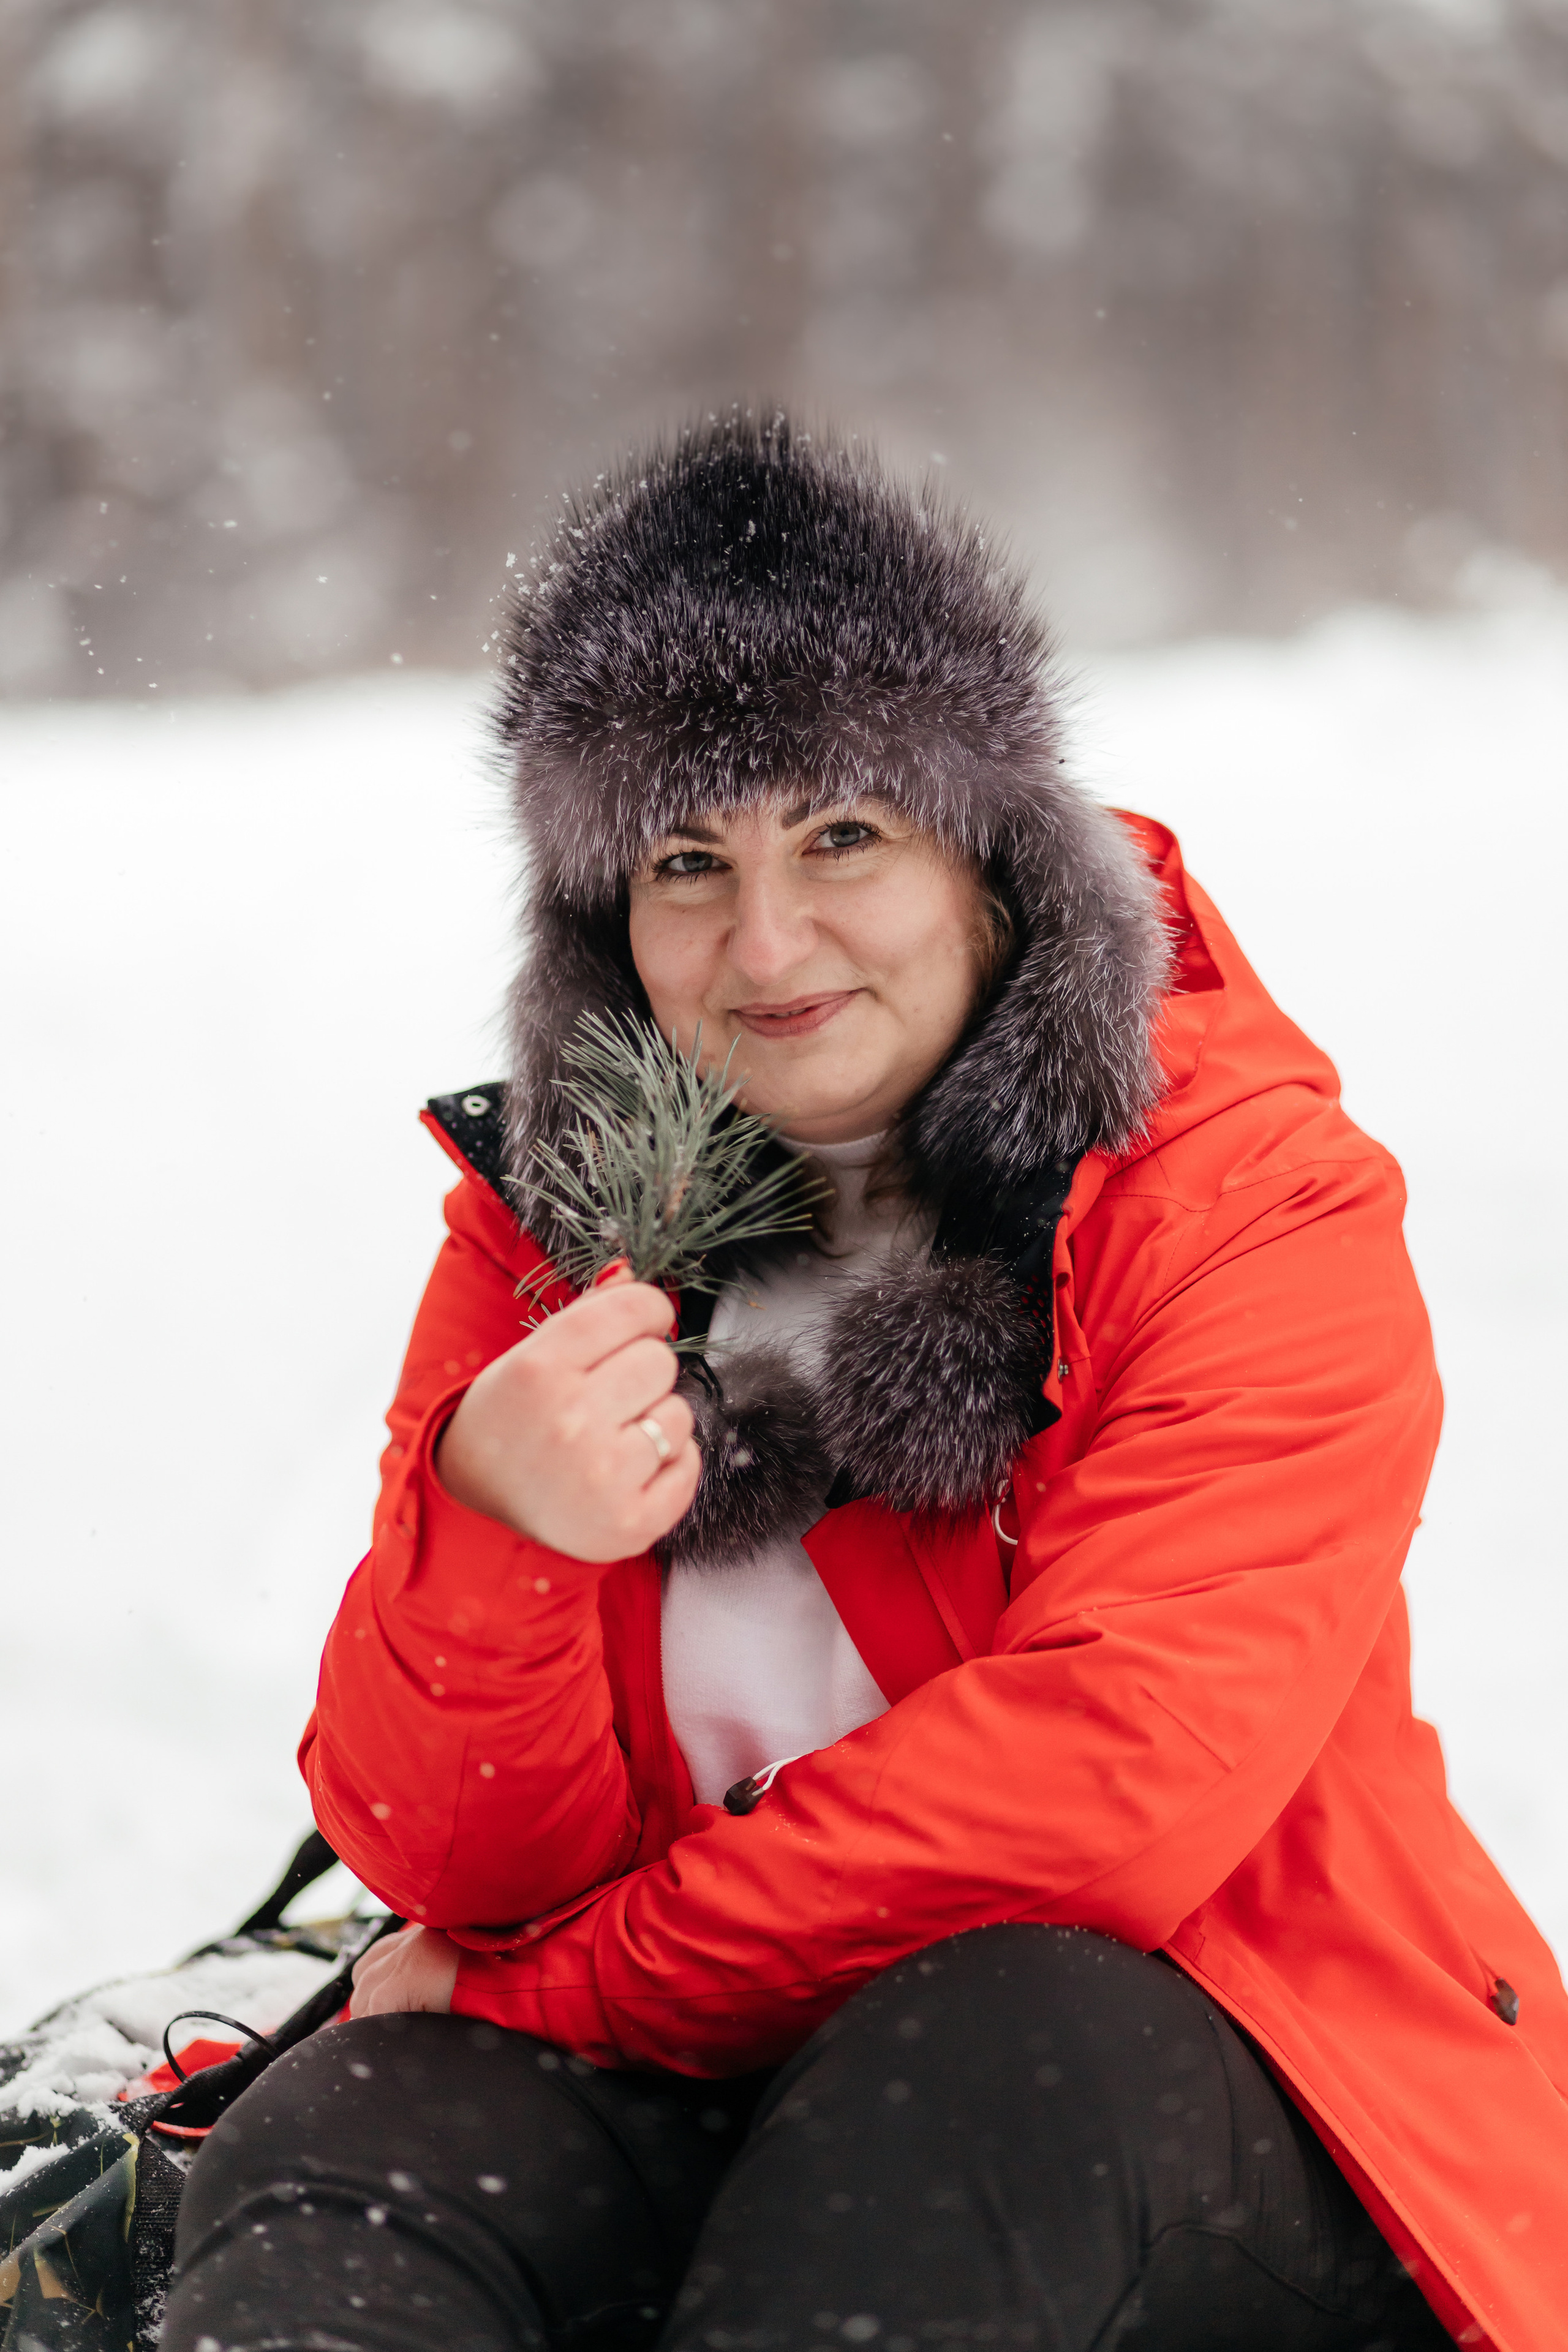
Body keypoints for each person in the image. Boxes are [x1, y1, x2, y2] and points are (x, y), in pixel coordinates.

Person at [162, 415, 1568, 2352]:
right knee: (360, 2134)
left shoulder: (1241, 1204)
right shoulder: (555, 1243)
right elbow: (456, 1862)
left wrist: (565, 1995)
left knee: (985, 2049)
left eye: (843, 835)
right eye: (686, 860)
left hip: (1224, 2117)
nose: (767, 941)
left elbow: (1096, 1801)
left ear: (987, 856)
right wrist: (492, 1524)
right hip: (742, 2093)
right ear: (609, 920)